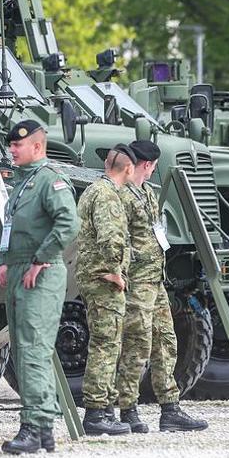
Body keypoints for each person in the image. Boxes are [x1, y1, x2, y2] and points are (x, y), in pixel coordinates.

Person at [0, 119, 78, 454]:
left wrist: (41, 258)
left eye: (18, 144)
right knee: (23, 349)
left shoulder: (50, 181)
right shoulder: (22, 184)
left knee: (33, 349)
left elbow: (68, 223)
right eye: (11, 145)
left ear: (37, 146)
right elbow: (10, 227)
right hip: (19, 269)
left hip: (39, 273)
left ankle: (33, 425)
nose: (12, 150)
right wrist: (4, 259)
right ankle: (43, 427)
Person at [117, 139, 207, 433]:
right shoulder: (123, 196)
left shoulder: (147, 194)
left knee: (166, 343)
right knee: (136, 346)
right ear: (149, 165)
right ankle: (127, 410)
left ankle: (170, 408)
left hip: (155, 282)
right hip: (136, 282)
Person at [73, 145, 136, 436]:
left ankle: (106, 409)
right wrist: (115, 271)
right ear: (129, 169)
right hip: (103, 279)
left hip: (91, 276)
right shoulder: (109, 195)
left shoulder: (92, 189)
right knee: (106, 343)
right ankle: (97, 412)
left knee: (106, 341)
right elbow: (111, 237)